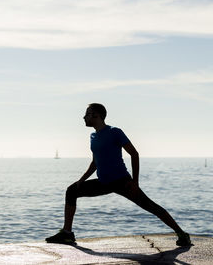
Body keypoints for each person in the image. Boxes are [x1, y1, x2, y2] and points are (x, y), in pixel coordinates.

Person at [45, 103, 191, 246]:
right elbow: (95, 162)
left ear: (96, 115)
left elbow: (134, 154)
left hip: (122, 182)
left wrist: (135, 182)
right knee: (72, 191)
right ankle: (67, 233)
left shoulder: (115, 132)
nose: (84, 117)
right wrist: (81, 180)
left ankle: (181, 234)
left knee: (150, 206)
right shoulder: (93, 137)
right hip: (103, 183)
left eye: (87, 114)